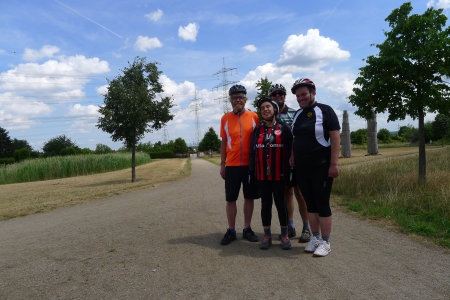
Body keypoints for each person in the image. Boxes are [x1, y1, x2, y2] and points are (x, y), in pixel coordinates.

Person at [289, 78, 340, 257]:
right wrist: (292, 155)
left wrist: (334, 164)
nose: (300, 98)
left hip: (322, 167)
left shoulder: (325, 110)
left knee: (322, 204)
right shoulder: (297, 115)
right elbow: (295, 138)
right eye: (297, 96)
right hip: (302, 168)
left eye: (303, 94)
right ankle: (316, 238)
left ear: (313, 92)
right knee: (310, 205)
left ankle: (326, 242)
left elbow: (335, 139)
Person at [269, 83, 311, 243]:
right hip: (280, 162)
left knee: (301, 193)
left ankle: (306, 227)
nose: (278, 96)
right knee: (287, 193)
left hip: (297, 159)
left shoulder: (296, 113)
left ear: (285, 96)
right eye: (274, 94)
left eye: (281, 94)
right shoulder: (270, 116)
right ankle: (290, 226)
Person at [249, 97, 292, 250]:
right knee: (265, 205)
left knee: (281, 204)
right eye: (262, 108)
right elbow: (253, 152)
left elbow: (291, 150)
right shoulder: (257, 130)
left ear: (274, 109)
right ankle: (267, 235)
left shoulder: (284, 128)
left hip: (279, 174)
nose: (265, 110)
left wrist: (290, 171)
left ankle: (285, 235)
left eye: (268, 107)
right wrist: (252, 172)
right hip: (262, 175)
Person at [219, 84, 260, 245]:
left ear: (245, 99)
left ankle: (247, 228)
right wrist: (222, 164)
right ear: (230, 100)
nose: (238, 100)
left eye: (241, 97)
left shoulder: (254, 116)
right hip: (232, 165)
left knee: (249, 197)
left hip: (250, 165)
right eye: (235, 97)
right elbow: (223, 142)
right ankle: (231, 230)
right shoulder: (225, 119)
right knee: (231, 199)